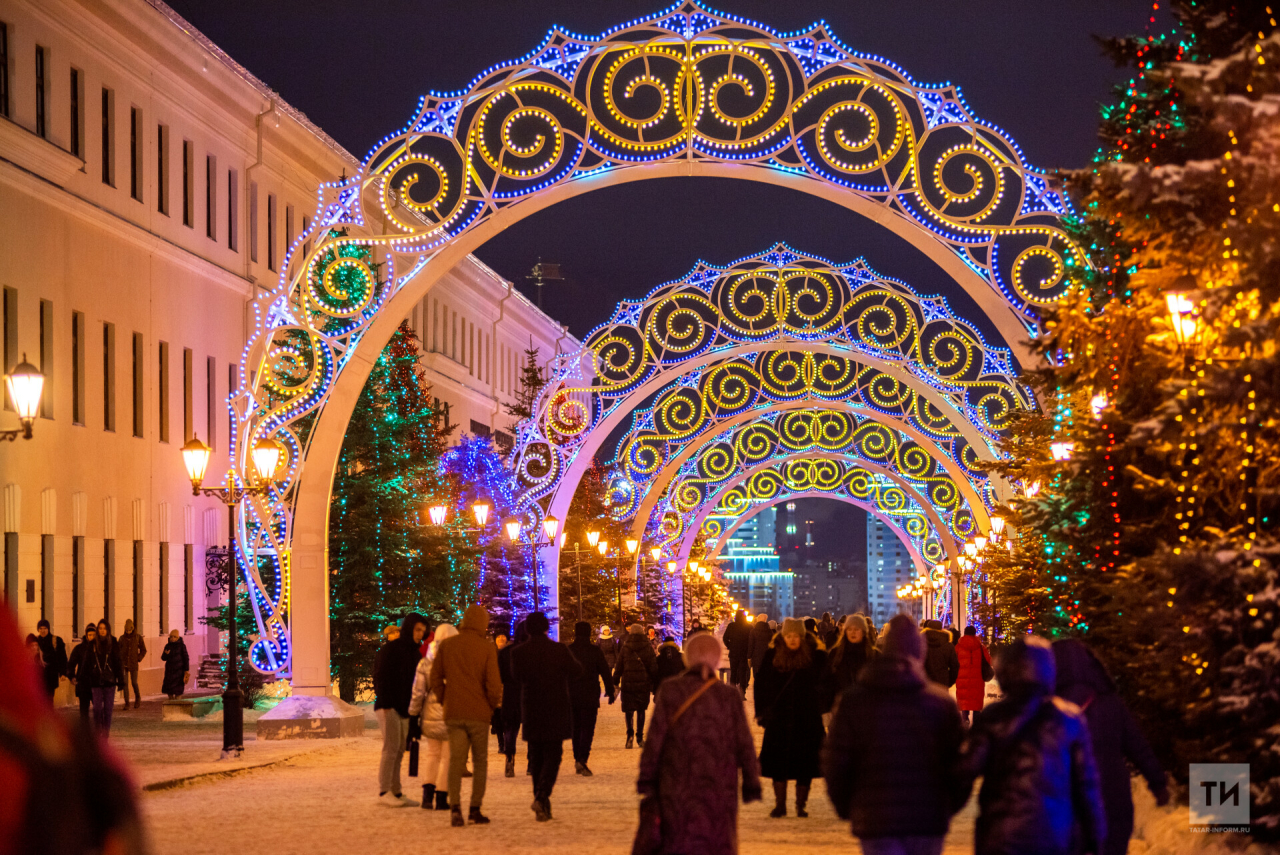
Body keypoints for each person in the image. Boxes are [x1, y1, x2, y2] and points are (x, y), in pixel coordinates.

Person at [0, 606, 148, 855]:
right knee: (98, 713)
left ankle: (105, 728)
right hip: (82, 691)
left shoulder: (56, 741)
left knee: (104, 713)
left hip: (105, 684)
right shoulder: (66, 740)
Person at [823, 614, 964, 855]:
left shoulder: (855, 700)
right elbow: (960, 764)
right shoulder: (940, 703)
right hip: (927, 818)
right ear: (919, 654)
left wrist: (849, 806)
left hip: (876, 818)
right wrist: (947, 805)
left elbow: (837, 760)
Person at [957, 636, 1106, 855]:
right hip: (1054, 834)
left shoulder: (994, 718)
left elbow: (964, 771)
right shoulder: (1069, 719)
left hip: (1000, 835)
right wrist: (1095, 838)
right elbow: (1086, 785)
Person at [636, 633, 762, 855]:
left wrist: (647, 778)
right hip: (719, 781)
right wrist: (751, 780)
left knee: (678, 834)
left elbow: (656, 737)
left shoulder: (671, 690)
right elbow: (743, 741)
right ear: (715, 659)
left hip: (675, 779)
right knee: (717, 837)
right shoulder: (728, 695)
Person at [1054, 639, 1169, 855]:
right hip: (1113, 801)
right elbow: (1138, 745)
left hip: (1068, 805)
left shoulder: (1047, 707)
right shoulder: (1111, 703)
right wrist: (1158, 783)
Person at [431, 604, 502, 827]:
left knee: (455, 761)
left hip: (454, 712)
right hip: (479, 714)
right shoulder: (487, 648)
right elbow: (494, 684)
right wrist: (491, 706)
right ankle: (474, 808)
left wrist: (445, 699)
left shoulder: (448, 645)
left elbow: (435, 678)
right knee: (480, 762)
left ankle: (455, 809)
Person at [511, 611, 583, 821]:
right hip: (555, 708)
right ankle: (542, 797)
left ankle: (540, 800)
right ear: (545, 628)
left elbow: (516, 677)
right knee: (553, 756)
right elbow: (577, 670)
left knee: (536, 757)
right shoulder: (558, 650)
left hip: (531, 708)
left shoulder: (518, 653)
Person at [753, 617, 826, 818]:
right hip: (779, 717)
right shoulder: (772, 655)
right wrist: (762, 711)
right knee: (779, 763)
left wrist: (821, 707)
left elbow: (825, 681)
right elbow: (761, 685)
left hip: (807, 717)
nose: (792, 640)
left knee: (805, 763)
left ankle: (801, 805)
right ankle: (780, 804)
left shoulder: (814, 656)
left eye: (796, 636)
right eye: (789, 636)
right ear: (783, 636)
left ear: (802, 637)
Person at [372, 611, 428, 807]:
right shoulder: (391, 649)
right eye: (417, 629)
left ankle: (395, 790)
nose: (420, 633)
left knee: (399, 750)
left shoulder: (414, 653)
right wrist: (386, 701)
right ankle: (384, 790)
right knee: (391, 749)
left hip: (404, 708)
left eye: (423, 630)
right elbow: (381, 677)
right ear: (409, 628)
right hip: (389, 706)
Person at [409, 622, 458, 810]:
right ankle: (442, 796)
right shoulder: (456, 661)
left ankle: (427, 795)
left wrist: (414, 715)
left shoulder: (425, 662)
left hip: (430, 714)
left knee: (432, 754)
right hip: (451, 712)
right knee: (448, 757)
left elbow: (417, 692)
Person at [567, 620, 616, 777]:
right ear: (588, 633)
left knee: (575, 728)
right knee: (588, 728)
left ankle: (577, 757)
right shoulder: (594, 651)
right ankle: (583, 758)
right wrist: (610, 691)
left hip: (572, 695)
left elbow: (561, 674)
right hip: (590, 694)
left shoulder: (569, 650)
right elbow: (605, 673)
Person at [819, 614, 876, 719]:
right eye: (849, 629)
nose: (853, 632)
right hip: (841, 712)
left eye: (856, 629)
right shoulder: (836, 654)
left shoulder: (873, 655)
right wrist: (826, 710)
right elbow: (827, 683)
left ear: (863, 631)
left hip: (868, 712)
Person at [614, 622, 657, 748]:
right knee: (641, 709)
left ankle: (630, 735)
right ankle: (639, 737)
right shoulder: (647, 646)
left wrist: (615, 681)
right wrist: (654, 681)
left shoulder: (626, 646)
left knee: (629, 710)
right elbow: (653, 667)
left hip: (628, 682)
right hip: (643, 683)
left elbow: (619, 666)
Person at [497, 620, 528, 778]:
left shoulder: (505, 652)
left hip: (510, 694)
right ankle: (531, 763)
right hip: (528, 693)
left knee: (510, 729)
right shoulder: (531, 651)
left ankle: (509, 758)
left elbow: (500, 675)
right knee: (532, 729)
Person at [84, 620, 124, 736]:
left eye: (104, 628)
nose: (102, 630)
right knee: (96, 709)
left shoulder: (113, 643)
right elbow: (86, 663)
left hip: (109, 681)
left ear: (108, 630)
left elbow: (118, 662)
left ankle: (105, 734)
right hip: (96, 681)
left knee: (107, 710)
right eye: (100, 628)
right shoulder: (92, 644)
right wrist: (83, 678)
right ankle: (98, 733)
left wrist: (120, 680)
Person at [954, 626, 992, 725]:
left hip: (962, 679)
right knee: (976, 701)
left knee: (964, 701)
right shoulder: (981, 647)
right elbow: (988, 660)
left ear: (965, 633)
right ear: (975, 633)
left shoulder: (958, 647)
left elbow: (953, 662)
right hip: (977, 679)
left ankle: (965, 720)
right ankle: (977, 723)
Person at [66, 625, 98, 722]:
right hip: (83, 683)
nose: (91, 637)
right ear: (86, 635)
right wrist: (71, 676)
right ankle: (85, 730)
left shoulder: (100, 648)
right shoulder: (80, 648)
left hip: (97, 683)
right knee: (84, 711)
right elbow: (71, 663)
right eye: (89, 635)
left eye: (93, 635)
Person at [34, 619, 68, 700]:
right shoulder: (35, 641)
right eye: (40, 629)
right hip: (38, 676)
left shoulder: (56, 640)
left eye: (45, 628)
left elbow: (62, 658)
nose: (43, 631)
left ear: (48, 629)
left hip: (51, 677)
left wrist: (63, 673)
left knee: (49, 699)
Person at [921, 619, 959, 689]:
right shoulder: (948, 645)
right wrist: (948, 682)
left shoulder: (920, 644)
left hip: (924, 683)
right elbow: (955, 667)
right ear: (941, 629)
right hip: (942, 683)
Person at [117, 619, 146, 710]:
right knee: (125, 683)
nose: (128, 632)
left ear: (132, 629)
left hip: (133, 663)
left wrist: (139, 658)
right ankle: (127, 703)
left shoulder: (138, 637)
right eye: (127, 630)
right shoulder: (122, 638)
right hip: (124, 664)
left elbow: (143, 650)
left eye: (129, 630)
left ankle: (138, 698)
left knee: (134, 682)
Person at [722, 610, 751, 696]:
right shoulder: (748, 627)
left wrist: (730, 646)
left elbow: (725, 638)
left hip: (734, 653)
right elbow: (751, 640)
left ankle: (732, 692)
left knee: (733, 673)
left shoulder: (731, 626)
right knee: (743, 673)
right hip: (744, 653)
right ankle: (742, 692)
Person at [160, 630, 189, 700]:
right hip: (170, 672)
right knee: (169, 692)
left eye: (174, 637)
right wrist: (166, 654)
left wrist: (186, 670)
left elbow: (186, 658)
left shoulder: (182, 646)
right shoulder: (168, 646)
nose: (172, 638)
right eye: (171, 637)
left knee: (178, 692)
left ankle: (177, 707)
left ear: (177, 637)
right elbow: (163, 658)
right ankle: (171, 707)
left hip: (179, 673)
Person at [747, 613, 772, 686]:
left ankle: (758, 689)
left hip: (756, 657)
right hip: (767, 656)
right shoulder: (769, 631)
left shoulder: (753, 631)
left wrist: (749, 657)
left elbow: (751, 645)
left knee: (757, 674)